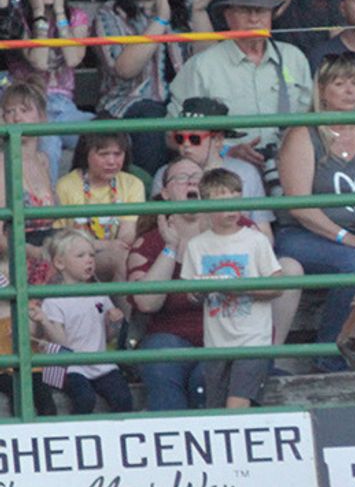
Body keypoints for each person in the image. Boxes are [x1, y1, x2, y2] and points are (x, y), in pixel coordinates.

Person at [275, 53, 355, 373]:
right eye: (339, 83)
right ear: (322, 91)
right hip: (305, 236)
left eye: (354, 83)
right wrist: (349, 239)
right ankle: (331, 359)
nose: (349, 91)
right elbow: (299, 204)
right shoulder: (304, 133)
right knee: (353, 265)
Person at [166, 0, 313, 171]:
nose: (254, 18)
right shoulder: (202, 66)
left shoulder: (294, 58)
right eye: (245, 10)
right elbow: (171, 134)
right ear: (228, 16)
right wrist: (226, 151)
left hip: (289, 164)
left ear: (270, 16)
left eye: (261, 11)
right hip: (224, 170)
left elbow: (313, 120)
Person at [94, 0, 218, 174]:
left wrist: (199, 11)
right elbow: (124, 69)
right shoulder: (110, 13)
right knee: (153, 116)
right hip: (129, 106)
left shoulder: (184, 5)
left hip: (180, 104)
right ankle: (154, 199)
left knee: (204, 114)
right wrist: (160, 20)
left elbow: (209, 61)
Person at [180, 168, 282, 408]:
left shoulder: (256, 240)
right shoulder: (197, 246)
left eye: (236, 202)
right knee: (217, 405)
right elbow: (190, 294)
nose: (231, 210)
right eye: (222, 203)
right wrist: (200, 291)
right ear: (206, 206)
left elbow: (278, 284)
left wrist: (240, 289)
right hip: (216, 343)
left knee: (237, 403)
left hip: (253, 341)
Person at [126, 157, 208, 410]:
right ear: (165, 193)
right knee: (161, 365)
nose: (191, 182)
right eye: (181, 178)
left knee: (204, 382)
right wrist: (170, 248)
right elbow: (147, 303)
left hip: (226, 334)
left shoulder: (236, 230)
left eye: (198, 177)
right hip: (169, 337)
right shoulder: (149, 242)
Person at [29, 229, 133, 414]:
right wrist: (44, 321)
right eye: (80, 256)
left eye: (92, 255)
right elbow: (62, 344)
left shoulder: (99, 293)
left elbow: (108, 336)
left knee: (123, 397)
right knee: (85, 398)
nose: (89, 260)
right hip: (70, 366)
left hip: (100, 362)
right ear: (60, 263)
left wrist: (114, 322)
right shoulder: (54, 299)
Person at [6, 0, 93, 182]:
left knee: (106, 134)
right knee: (49, 141)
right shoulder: (17, 17)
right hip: (30, 106)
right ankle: (48, 213)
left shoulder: (77, 16)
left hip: (66, 110)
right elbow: (40, 61)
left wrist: (59, 11)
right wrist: (39, 14)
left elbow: (73, 59)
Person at [153, 97, 272, 236]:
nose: (185, 145)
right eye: (180, 138)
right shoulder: (164, 174)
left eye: (194, 139)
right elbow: (158, 231)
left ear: (218, 140)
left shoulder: (246, 172)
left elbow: (264, 232)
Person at [55, 130, 145, 283]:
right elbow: (60, 237)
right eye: (103, 154)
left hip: (118, 251)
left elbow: (128, 234)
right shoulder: (65, 185)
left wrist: (113, 247)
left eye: (117, 154)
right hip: (75, 256)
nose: (111, 161)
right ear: (86, 154)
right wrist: (108, 245)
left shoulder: (133, 184)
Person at [0, 219, 57, 417]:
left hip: (30, 362)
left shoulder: (28, 267)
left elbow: (35, 331)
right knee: (16, 392)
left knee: (45, 399)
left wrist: (32, 325)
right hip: (3, 362)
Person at [0, 81, 58, 252]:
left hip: (49, 245)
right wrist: (33, 252)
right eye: (9, 112)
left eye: (25, 111)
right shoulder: (1, 165)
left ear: (42, 117)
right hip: (19, 253)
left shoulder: (43, 160)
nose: (17, 118)